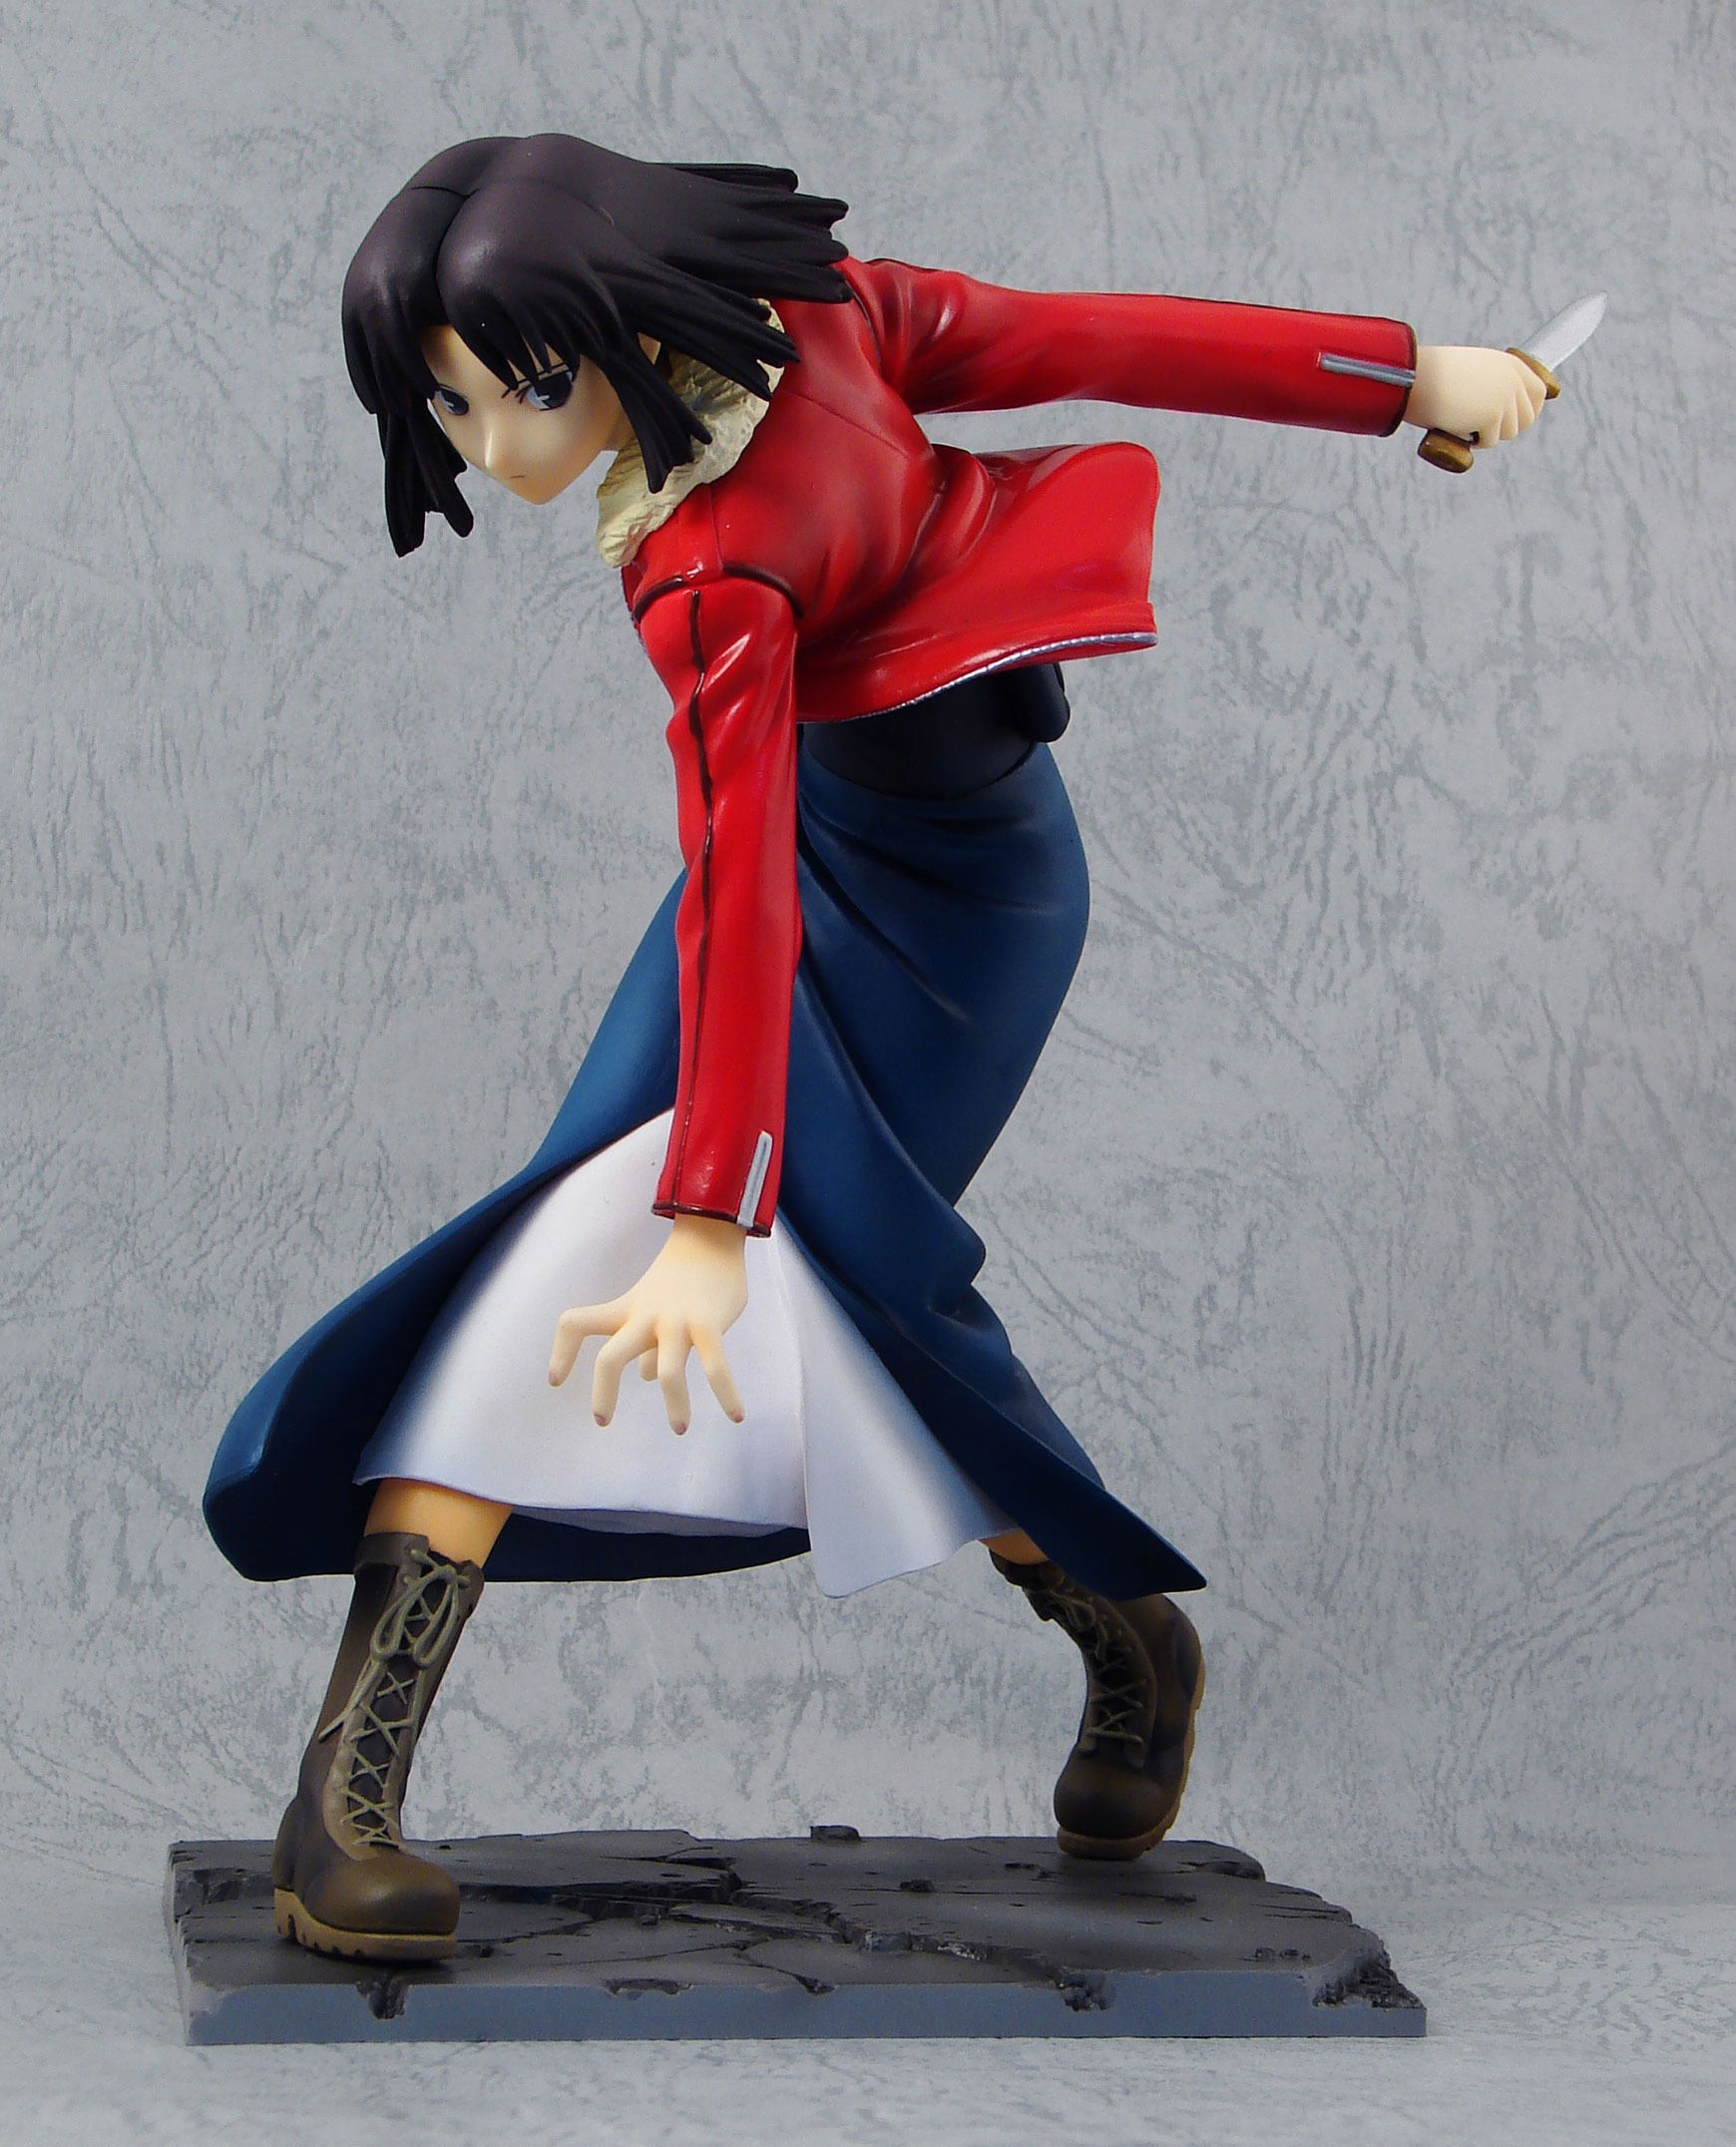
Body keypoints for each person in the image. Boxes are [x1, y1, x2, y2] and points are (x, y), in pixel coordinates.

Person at [206, 132, 1546, 1962]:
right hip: (784, 884)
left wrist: (1407, 377)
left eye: (520, 392)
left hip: (971, 911)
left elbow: (1094, 336)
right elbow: (737, 880)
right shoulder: (691, 537)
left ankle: (1125, 1632)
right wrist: (695, 1203)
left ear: (621, 324)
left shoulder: (802, 370)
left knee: (867, 1294)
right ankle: (344, 1792)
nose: (496, 452)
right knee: (554, 1249)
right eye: (451, 409)